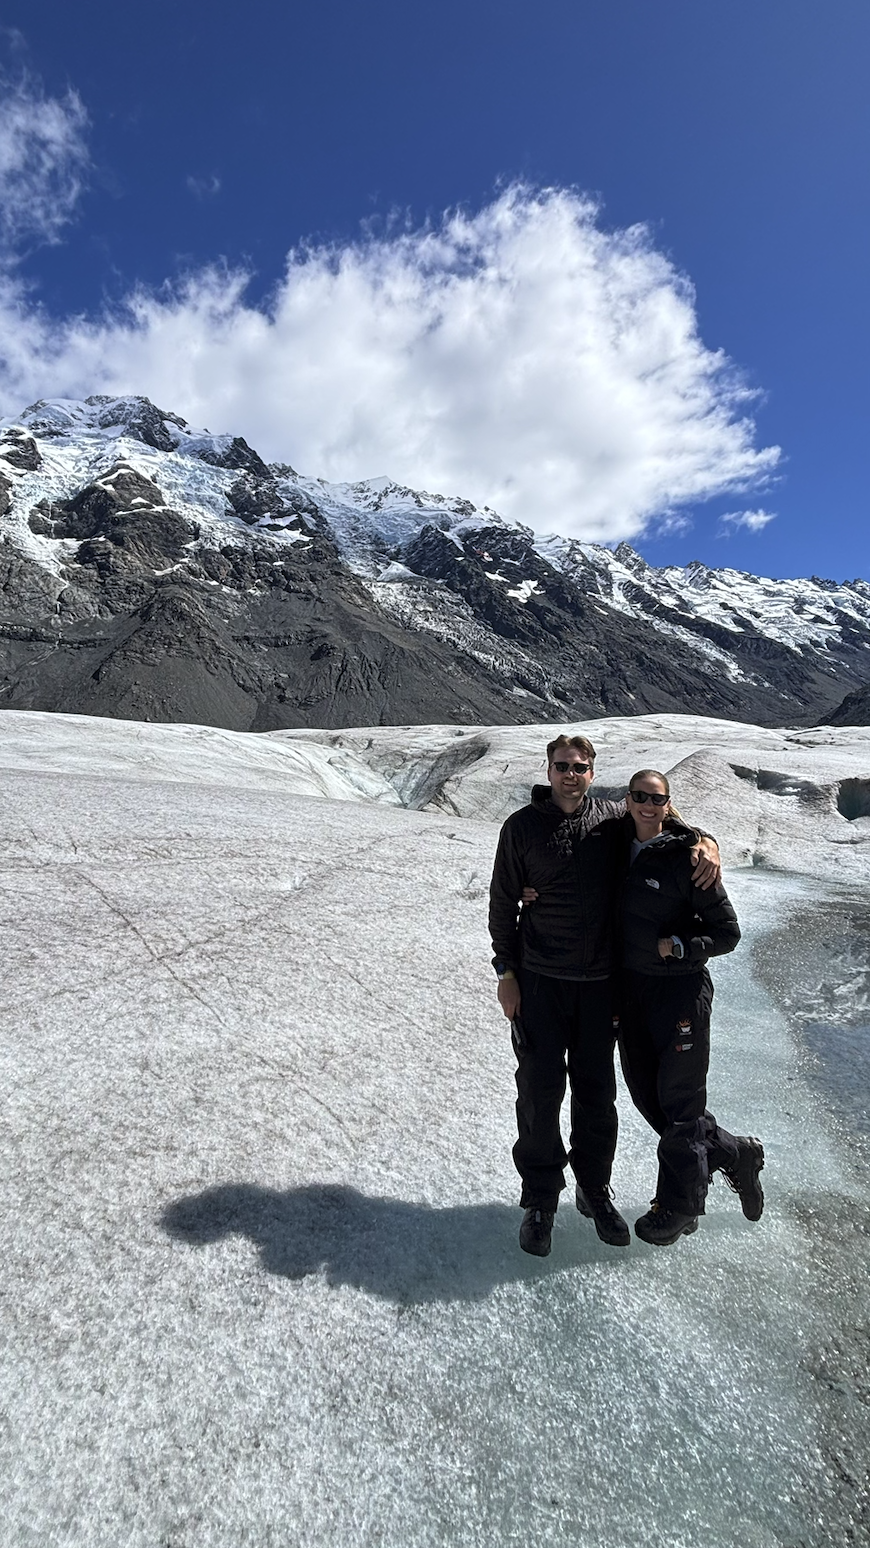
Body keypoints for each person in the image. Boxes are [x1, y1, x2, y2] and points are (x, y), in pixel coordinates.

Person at [488, 734, 721, 1258]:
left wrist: (708, 843)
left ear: (593, 772)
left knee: (597, 1096)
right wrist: (506, 971)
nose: (571, 774)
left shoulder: (612, 820)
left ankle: (595, 1189)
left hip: (600, 986)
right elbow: (504, 904)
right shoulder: (521, 829)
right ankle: (540, 1199)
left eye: (581, 766)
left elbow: (662, 820)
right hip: (541, 982)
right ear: (548, 772)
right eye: (562, 766)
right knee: (539, 1093)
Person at [599, 768, 764, 1246]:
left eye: (657, 798)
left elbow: (727, 933)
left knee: (681, 1103)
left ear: (668, 803)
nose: (647, 805)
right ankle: (733, 1154)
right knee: (649, 1098)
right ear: (627, 801)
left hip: (680, 993)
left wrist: (681, 944)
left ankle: (679, 1206)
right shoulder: (615, 844)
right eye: (639, 797)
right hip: (632, 992)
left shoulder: (689, 857)